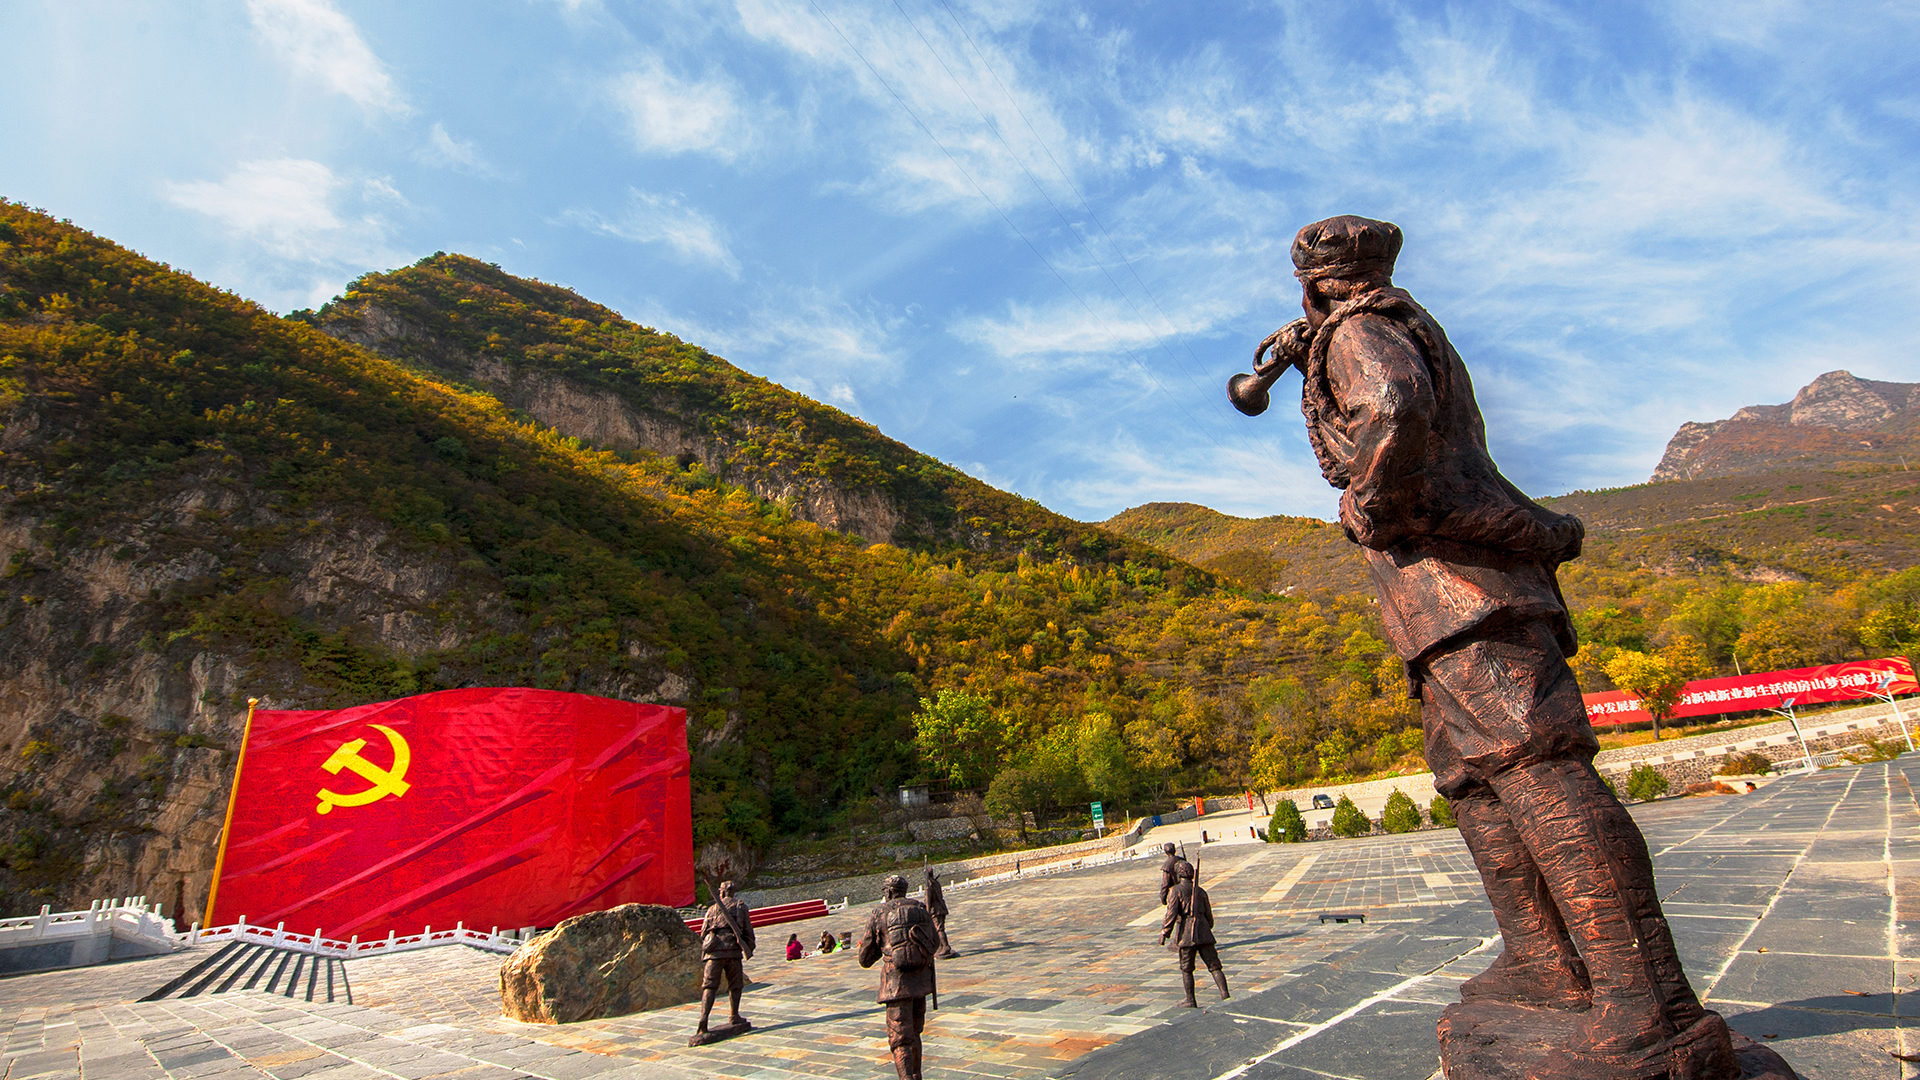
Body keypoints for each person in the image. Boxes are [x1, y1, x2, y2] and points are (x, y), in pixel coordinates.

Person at [1249, 215, 1737, 1076]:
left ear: (1317, 279)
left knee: (1538, 772)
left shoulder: (1361, 335)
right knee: (1473, 782)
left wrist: (1371, 501)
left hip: (1465, 586)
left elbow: (1394, 406)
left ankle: (1647, 1000)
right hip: (1437, 598)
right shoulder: (1378, 325)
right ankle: (1545, 963)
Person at [858, 875, 940, 1080]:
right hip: (921, 982)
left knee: (900, 1039)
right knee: (915, 1033)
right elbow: (936, 942)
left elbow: (865, 959)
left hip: (895, 985)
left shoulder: (879, 913)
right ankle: (916, 1075)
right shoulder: (920, 908)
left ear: (888, 892)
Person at [692, 880, 755, 1043]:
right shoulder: (740, 906)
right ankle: (734, 1015)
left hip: (714, 952)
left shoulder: (711, 909)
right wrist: (749, 947)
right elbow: (748, 930)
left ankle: (703, 1018)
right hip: (732, 950)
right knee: (735, 985)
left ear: (721, 892)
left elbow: (703, 932)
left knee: (709, 986)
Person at [1160, 861, 1228, 1007]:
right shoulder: (1201, 891)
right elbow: (1209, 917)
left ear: (1179, 874)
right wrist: (1206, 928)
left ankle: (1190, 1000)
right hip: (1204, 931)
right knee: (1214, 966)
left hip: (1186, 934)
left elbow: (1171, 914)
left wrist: (1165, 932)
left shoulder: (1176, 890)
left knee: (1186, 968)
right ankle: (1225, 995)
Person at [924, 868, 958, 959]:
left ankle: (946, 946)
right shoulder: (936, 883)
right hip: (941, 908)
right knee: (937, 929)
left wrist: (927, 912)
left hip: (936, 910)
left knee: (939, 929)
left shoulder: (929, 885)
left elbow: (928, 900)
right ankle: (940, 946)